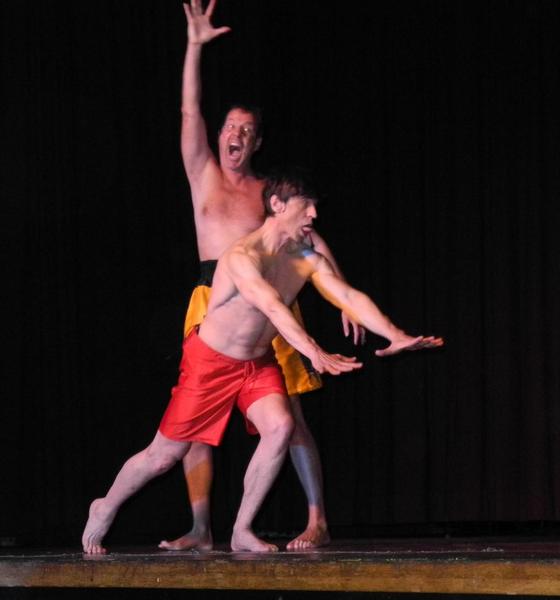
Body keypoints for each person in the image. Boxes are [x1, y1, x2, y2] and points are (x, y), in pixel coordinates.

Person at [81, 172, 443, 555]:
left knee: (281, 425)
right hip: (210, 364)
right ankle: (104, 506)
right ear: (277, 205)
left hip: (257, 363)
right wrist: (312, 350)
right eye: (306, 205)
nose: (314, 214)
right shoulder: (242, 256)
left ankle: (242, 529)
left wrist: (394, 334)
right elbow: (271, 305)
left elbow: (348, 296)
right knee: (163, 456)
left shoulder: (304, 258)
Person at [159, 0, 364, 552]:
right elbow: (189, 112)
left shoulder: (266, 192)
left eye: (246, 131)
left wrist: (342, 295)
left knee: (288, 414)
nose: (236, 136)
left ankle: (317, 519)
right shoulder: (202, 173)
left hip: (268, 306)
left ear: (256, 143)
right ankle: (201, 528)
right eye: (230, 127)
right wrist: (194, 47)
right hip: (211, 300)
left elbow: (310, 239)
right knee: (195, 421)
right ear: (220, 135)